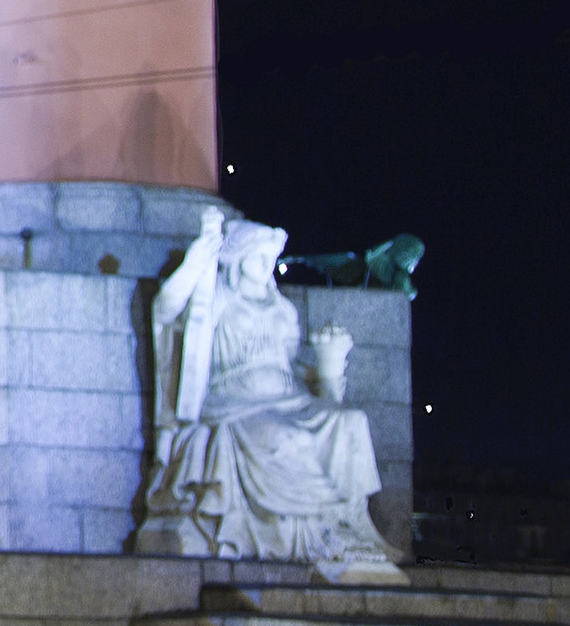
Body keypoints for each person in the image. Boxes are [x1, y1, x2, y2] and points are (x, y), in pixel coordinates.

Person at [135, 204, 400, 580]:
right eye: (260, 257)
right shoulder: (217, 299)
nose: (266, 265)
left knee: (352, 423)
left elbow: (293, 369)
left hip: (289, 398)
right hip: (235, 403)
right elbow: (167, 307)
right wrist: (200, 257)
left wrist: (329, 365)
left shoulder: (284, 311)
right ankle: (306, 539)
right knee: (284, 436)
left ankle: (346, 525)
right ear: (239, 260)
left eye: (270, 259)